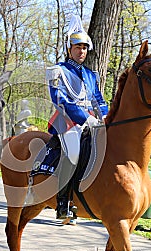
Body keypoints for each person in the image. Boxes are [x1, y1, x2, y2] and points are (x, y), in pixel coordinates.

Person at [46, 15, 108, 221]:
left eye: (84, 47)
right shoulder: (57, 71)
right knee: (73, 154)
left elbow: (98, 99)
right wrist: (84, 118)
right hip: (67, 122)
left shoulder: (91, 74)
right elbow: (59, 99)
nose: (81, 51)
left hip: (92, 121)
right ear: (69, 49)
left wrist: (106, 116)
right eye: (77, 47)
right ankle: (63, 202)